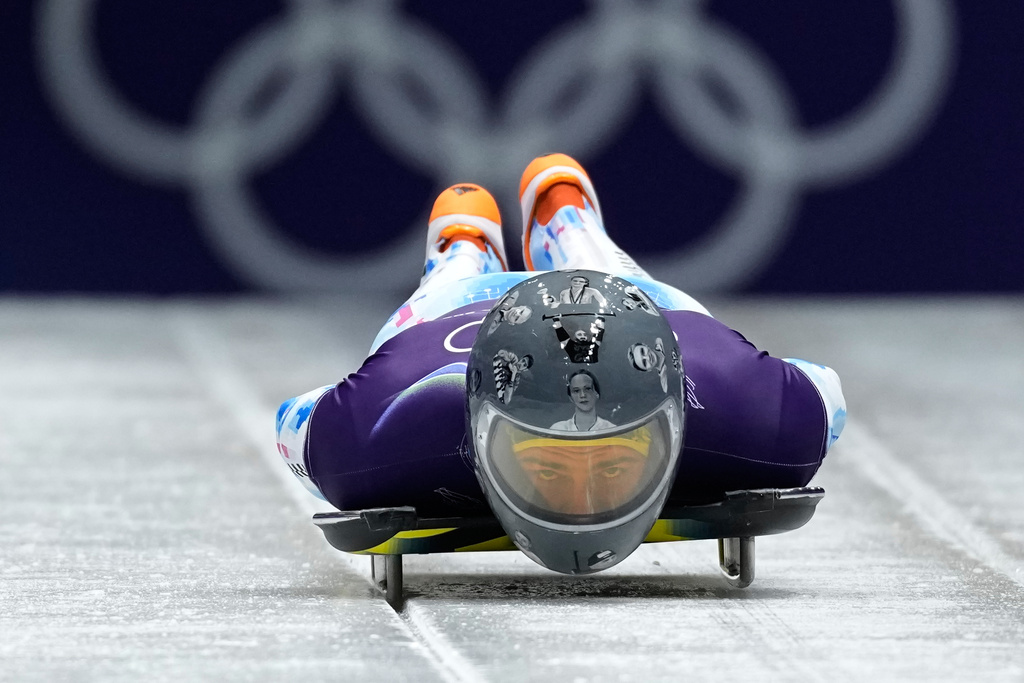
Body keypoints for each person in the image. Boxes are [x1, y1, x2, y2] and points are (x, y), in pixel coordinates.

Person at [275, 153, 846, 572]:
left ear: (676, 423)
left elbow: (289, 421)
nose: (584, 505)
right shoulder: (386, 422)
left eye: (616, 464)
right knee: (451, 289)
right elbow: (830, 395)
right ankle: (489, 245)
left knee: (616, 282)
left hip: (647, 318)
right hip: (453, 317)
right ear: (475, 431)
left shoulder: (740, 399)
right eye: (547, 468)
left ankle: (536, 231)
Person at [550, 369, 616, 432]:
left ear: (597, 394)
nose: (582, 395)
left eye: (587, 389)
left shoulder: (611, 429)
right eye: (576, 391)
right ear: (570, 398)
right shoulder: (557, 429)